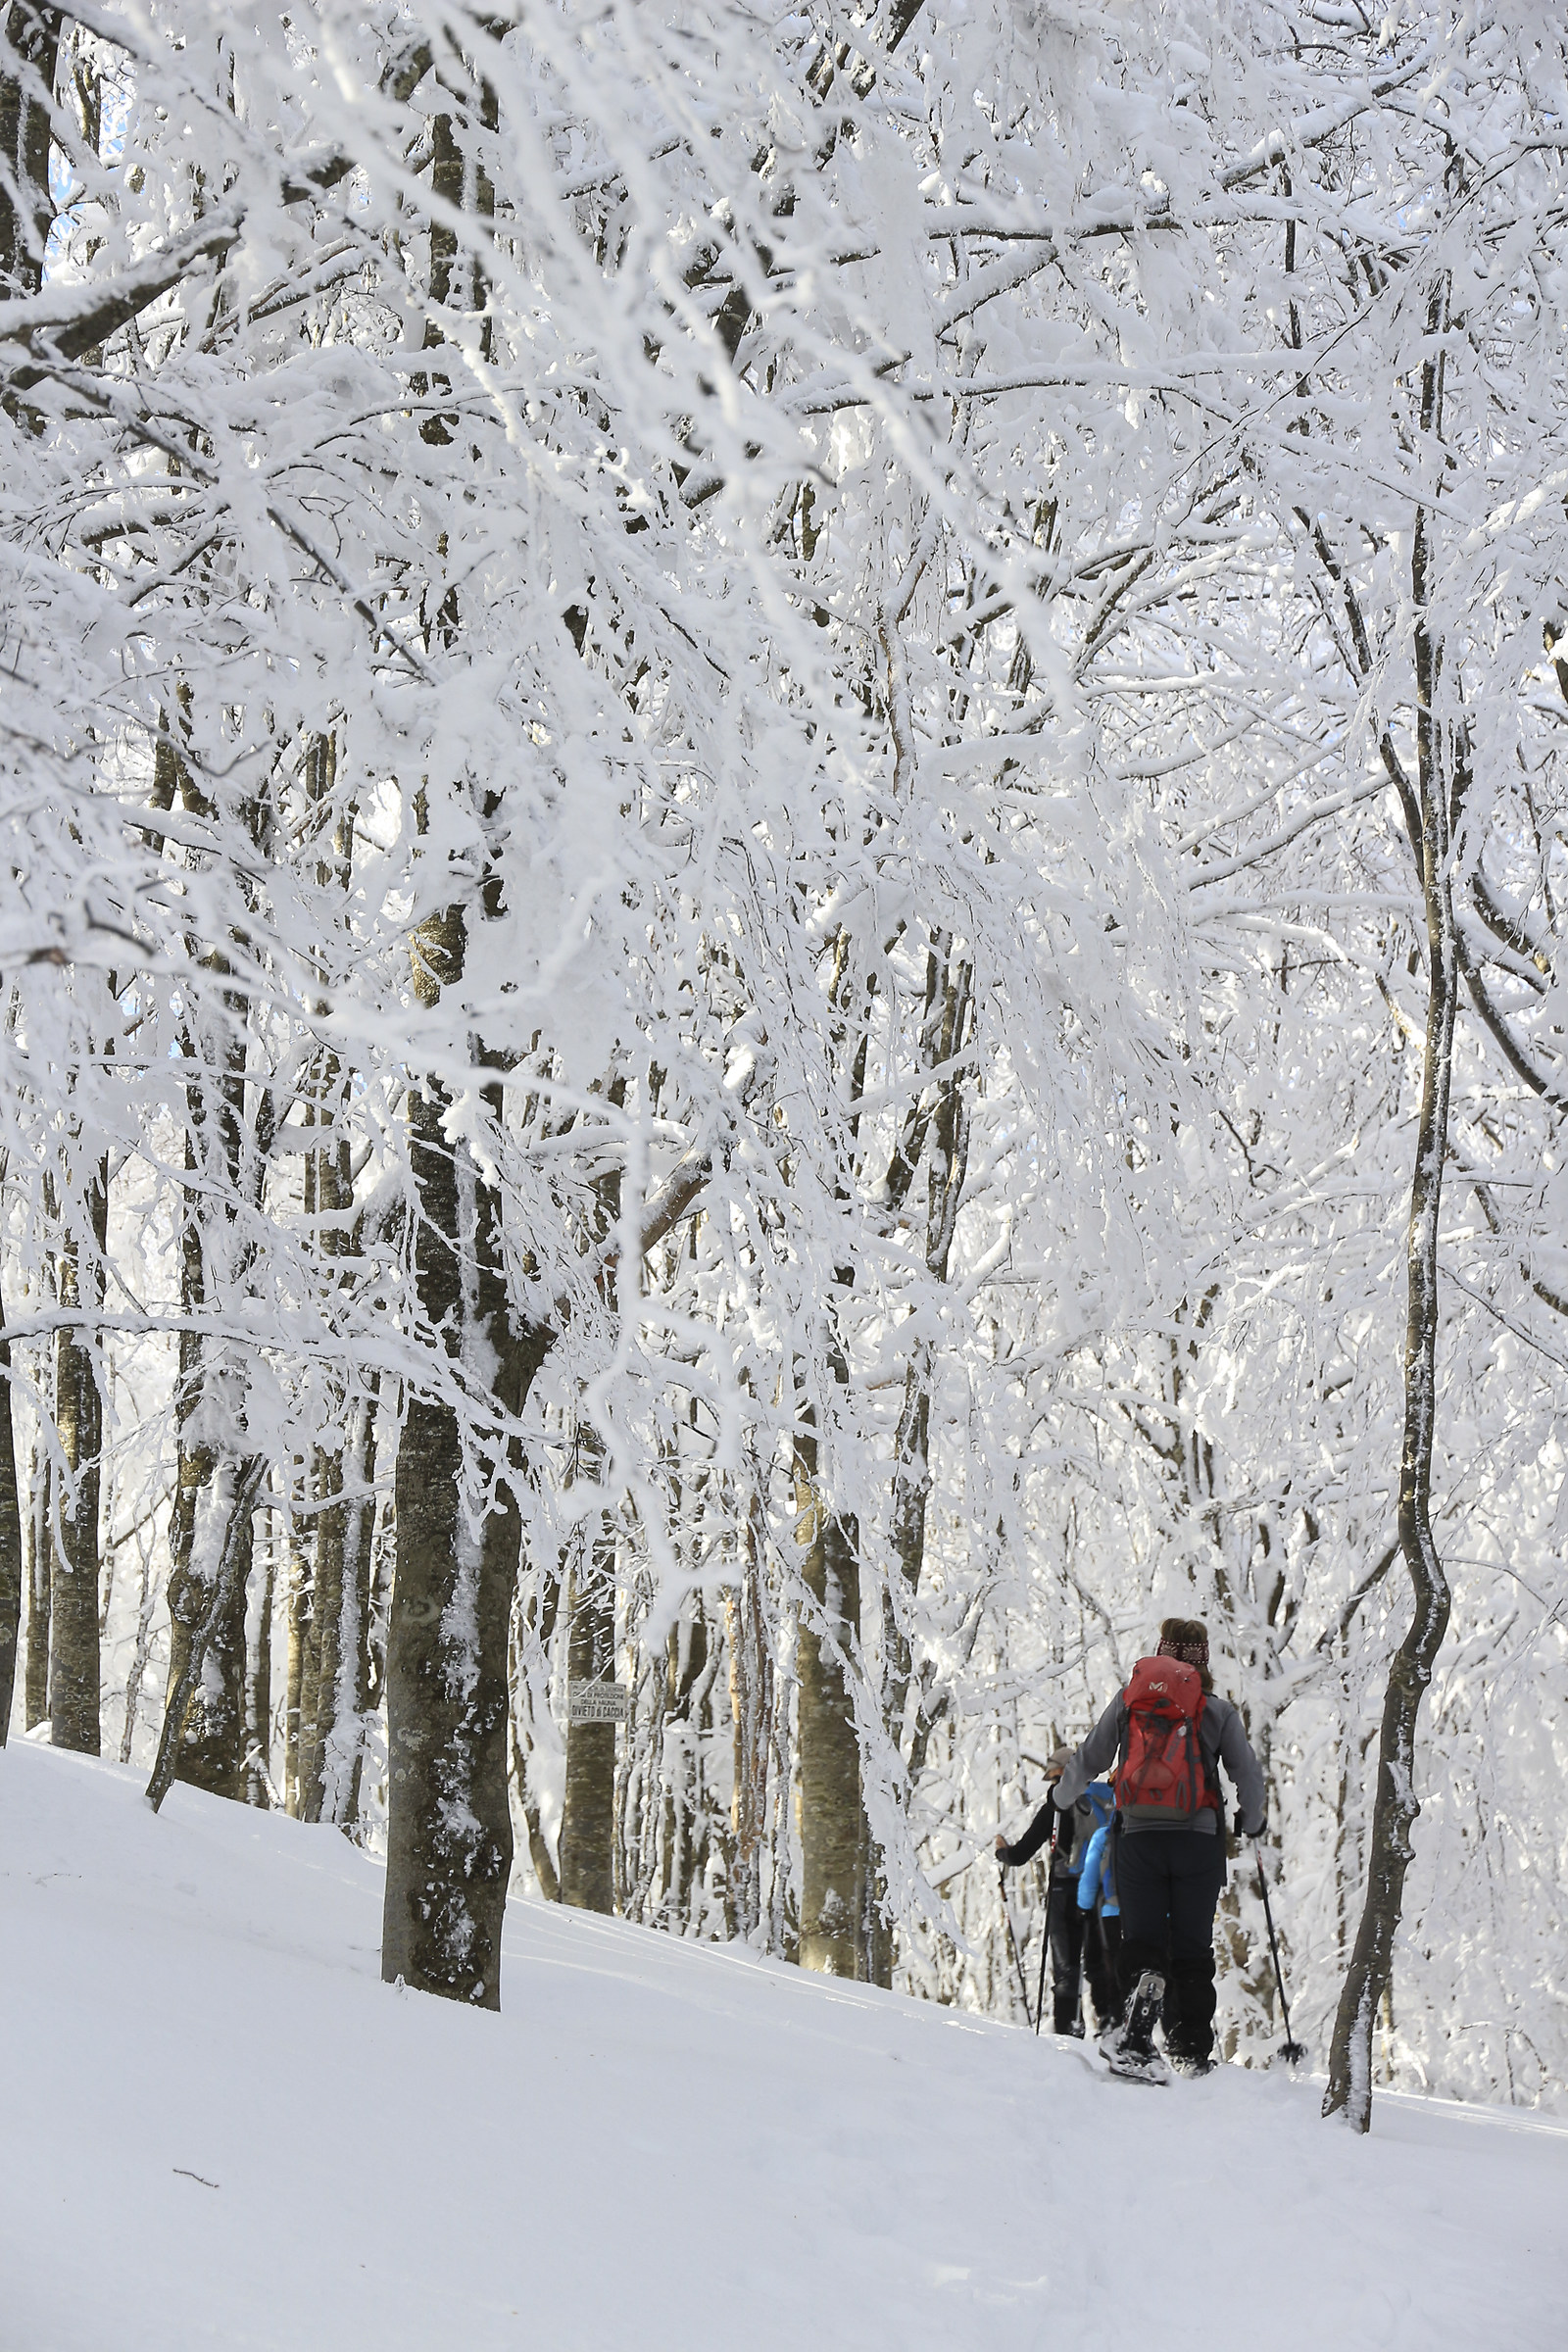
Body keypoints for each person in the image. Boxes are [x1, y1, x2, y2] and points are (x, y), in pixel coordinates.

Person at [1052, 1616, 1266, 2081]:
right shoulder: (1218, 1711)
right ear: (1203, 1662)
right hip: (1199, 1841)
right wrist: (1253, 1820)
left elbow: (1090, 1756)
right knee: (1192, 1947)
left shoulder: (1130, 1702)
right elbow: (1247, 1774)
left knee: (1142, 1941)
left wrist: (1061, 1797)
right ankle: (1190, 2050)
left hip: (1138, 1839)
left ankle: (1137, 2033)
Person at [994, 1750, 1116, 2035]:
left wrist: (1002, 1852)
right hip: (1102, 1893)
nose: (1052, 1784)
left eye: (1053, 1777)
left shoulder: (1057, 1805)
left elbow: (1020, 1854)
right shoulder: (1106, 1799)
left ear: (1061, 1773)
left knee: (1066, 1969)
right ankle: (1111, 2028)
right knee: (1100, 1965)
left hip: (1066, 1892)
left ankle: (1069, 2031)